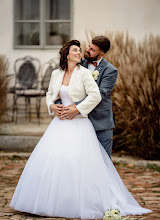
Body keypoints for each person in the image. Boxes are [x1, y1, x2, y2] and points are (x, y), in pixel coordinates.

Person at [10, 40, 152, 219]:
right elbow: (49, 95)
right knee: (55, 161)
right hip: (60, 124)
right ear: (66, 54)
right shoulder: (56, 73)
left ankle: (86, 201)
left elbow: (96, 95)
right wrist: (52, 107)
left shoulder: (84, 72)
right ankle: (54, 200)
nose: (81, 51)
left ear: (101, 53)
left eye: (83, 49)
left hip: (80, 123)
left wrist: (76, 109)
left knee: (81, 163)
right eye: (75, 50)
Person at [56, 36, 117, 158]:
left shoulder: (110, 70)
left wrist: (75, 107)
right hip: (77, 123)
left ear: (102, 54)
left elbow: (101, 94)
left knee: (103, 162)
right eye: (89, 46)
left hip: (100, 124)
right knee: (80, 161)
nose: (87, 50)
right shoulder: (78, 64)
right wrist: (60, 105)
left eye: (92, 49)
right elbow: (63, 86)